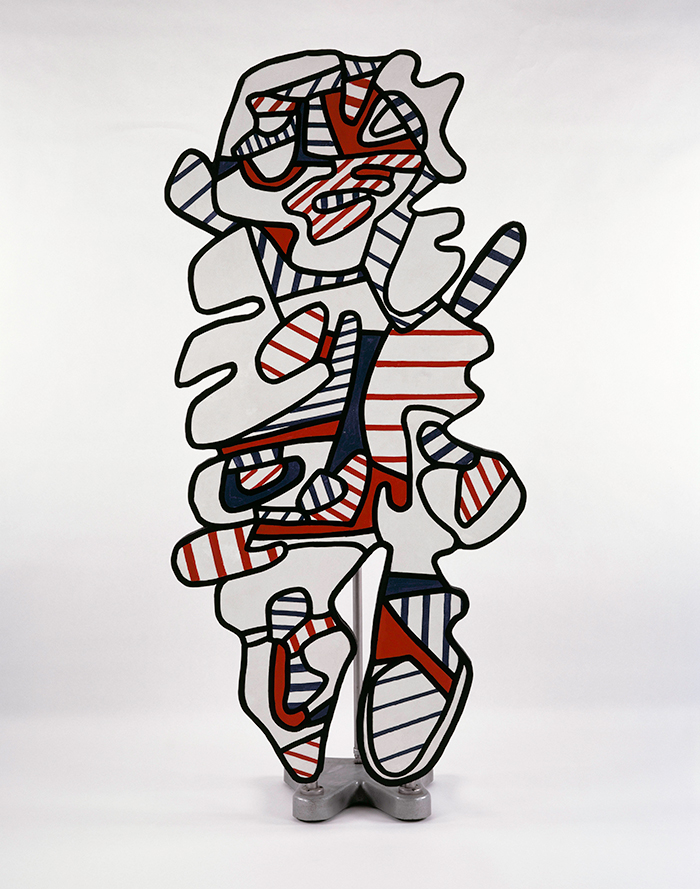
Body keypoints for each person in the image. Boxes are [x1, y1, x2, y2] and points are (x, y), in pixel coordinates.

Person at [166, 49, 526, 786]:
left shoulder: (396, 255)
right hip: (290, 464)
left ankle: (410, 635)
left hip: (386, 442)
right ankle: (307, 664)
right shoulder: (248, 261)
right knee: (285, 585)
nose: (330, 191)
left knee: (425, 516)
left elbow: (421, 345)